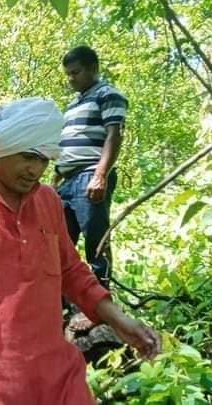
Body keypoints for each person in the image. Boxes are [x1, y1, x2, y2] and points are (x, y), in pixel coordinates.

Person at [0, 98, 159, 404]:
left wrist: (120, 321)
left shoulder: (49, 202)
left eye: (43, 160)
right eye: (27, 157)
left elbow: (71, 270)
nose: (35, 169)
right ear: (1, 149)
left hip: (51, 372)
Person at [53, 45, 128, 290]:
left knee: (96, 242)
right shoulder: (74, 103)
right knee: (60, 242)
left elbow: (114, 135)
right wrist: (55, 178)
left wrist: (100, 174)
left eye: (76, 72)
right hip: (67, 180)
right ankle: (64, 298)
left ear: (93, 69)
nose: (71, 79)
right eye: (68, 74)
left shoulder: (107, 94)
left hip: (90, 175)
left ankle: (101, 300)